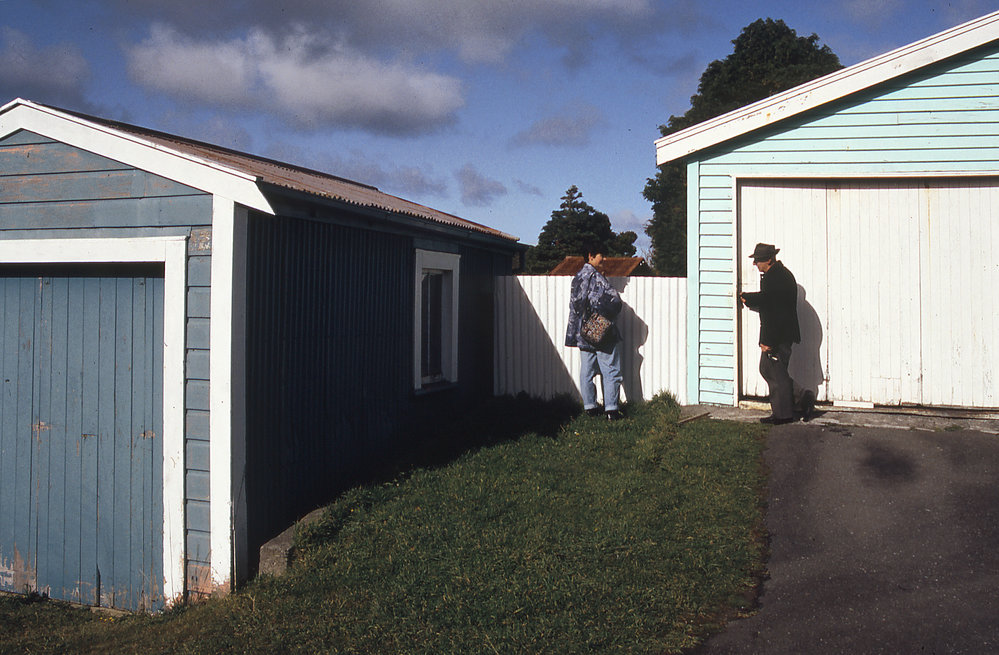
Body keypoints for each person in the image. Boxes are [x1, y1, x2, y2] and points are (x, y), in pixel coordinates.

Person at [740, 243, 801, 425]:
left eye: (757, 260)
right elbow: (768, 299)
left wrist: (767, 341)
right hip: (782, 333)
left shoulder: (775, 278)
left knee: (775, 372)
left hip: (779, 335)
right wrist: (749, 297)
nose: (755, 264)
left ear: (768, 260)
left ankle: (784, 414)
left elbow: (773, 313)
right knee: (769, 369)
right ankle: (798, 398)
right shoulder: (778, 275)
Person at [565, 242, 625, 420]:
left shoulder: (577, 277)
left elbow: (575, 306)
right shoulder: (596, 277)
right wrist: (603, 318)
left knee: (587, 371)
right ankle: (611, 410)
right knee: (611, 369)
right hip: (600, 329)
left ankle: (590, 408)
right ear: (591, 256)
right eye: (601, 255)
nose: (604, 259)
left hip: (583, 332)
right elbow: (615, 302)